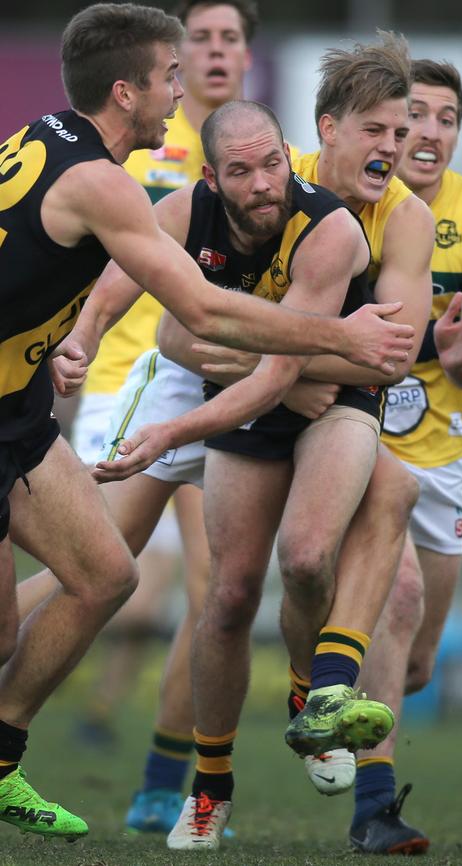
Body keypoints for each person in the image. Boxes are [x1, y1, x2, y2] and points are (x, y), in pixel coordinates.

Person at [0, 2, 413, 840]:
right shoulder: (107, 183)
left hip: (22, 409)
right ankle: (190, 783)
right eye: (168, 79)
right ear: (126, 91)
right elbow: (199, 313)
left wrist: (70, 339)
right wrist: (342, 335)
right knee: (23, 623)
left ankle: (3, 755)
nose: (177, 93)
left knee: (109, 575)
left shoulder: (42, 135)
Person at [138, 35, 462, 851]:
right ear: (326, 130)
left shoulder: (404, 218)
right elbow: (182, 331)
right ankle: (210, 789)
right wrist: (298, 361)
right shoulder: (268, 180)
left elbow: (396, 352)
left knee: (326, 568)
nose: (395, 149)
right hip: (256, 399)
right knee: (224, 599)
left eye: (403, 133)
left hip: (352, 406)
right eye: (378, 131)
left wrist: (290, 356)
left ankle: (326, 711)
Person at [65, 0, 257, 830]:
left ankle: (163, 776)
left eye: (228, 39)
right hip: (128, 379)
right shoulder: (145, 136)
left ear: (248, 55)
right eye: (198, 41)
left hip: (216, 386)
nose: (212, 53)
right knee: (103, 577)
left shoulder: (263, 154)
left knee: (222, 590)